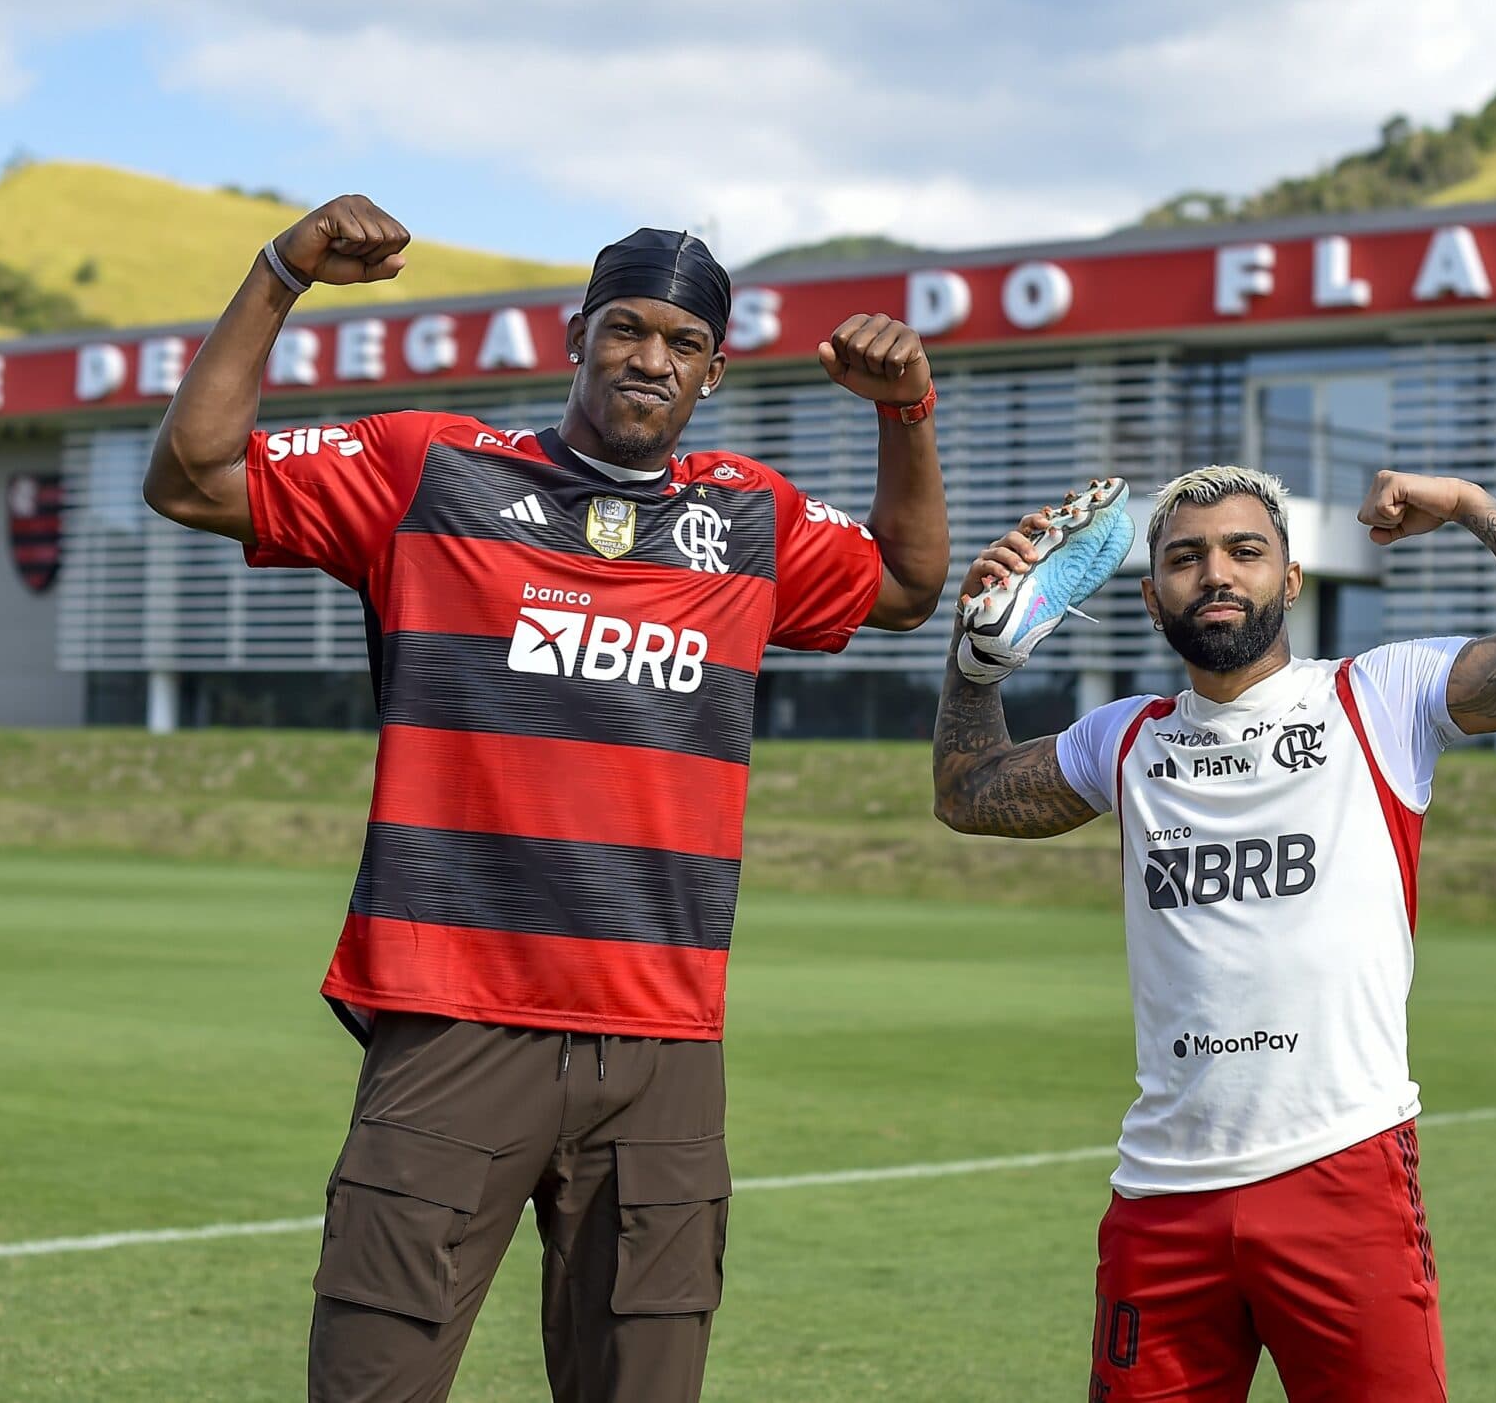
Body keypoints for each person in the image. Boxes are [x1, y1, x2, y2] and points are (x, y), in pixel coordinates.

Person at [143, 197, 950, 1403]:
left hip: (662, 1039)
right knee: (373, 1383)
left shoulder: (748, 518)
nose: (650, 359)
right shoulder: (435, 469)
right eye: (627, 329)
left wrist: (905, 414)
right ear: (578, 335)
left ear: (715, 373)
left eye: (682, 344)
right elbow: (193, 473)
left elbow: (901, 580)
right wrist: (279, 273)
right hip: (455, 1017)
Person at [933, 465, 1496, 1402]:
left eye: (1245, 550)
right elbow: (966, 792)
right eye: (1185, 558)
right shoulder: (1126, 737)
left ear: (1292, 579)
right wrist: (978, 655)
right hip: (1162, 1196)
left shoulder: (1378, 697)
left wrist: (1472, 506)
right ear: (1152, 599)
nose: (1216, 573)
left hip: (1342, 1178)